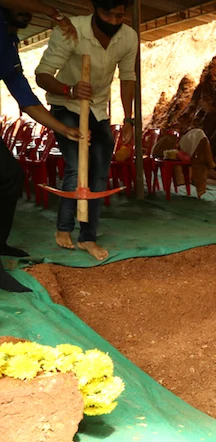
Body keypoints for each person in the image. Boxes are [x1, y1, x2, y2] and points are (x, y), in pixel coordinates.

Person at [34, 0, 138, 262]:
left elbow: (128, 77)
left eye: (119, 16)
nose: (113, 21)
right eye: (107, 14)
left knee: (100, 172)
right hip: (66, 106)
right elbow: (42, 75)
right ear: (94, 9)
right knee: (76, 165)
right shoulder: (72, 30)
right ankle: (64, 227)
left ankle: (88, 237)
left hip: (97, 109)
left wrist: (129, 119)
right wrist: (68, 89)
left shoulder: (128, 37)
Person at [0, 2, 82, 293]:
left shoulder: (9, 43)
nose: (28, 10)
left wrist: (63, 129)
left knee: (10, 177)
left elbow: (25, 96)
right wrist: (53, 13)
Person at [149, 127, 215, 198]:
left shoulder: (185, 142)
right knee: (200, 140)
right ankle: (210, 163)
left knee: (200, 139)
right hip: (180, 153)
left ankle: (210, 163)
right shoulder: (172, 143)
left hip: (190, 154)